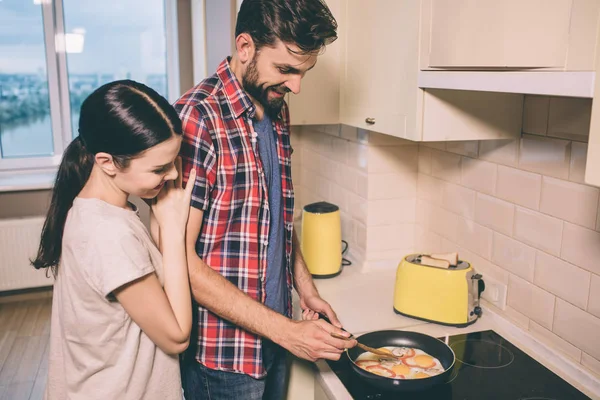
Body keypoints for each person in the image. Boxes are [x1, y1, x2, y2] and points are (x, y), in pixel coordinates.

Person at [174, 0, 357, 399]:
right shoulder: (196, 119)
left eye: (304, 72)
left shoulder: (275, 107)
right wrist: (289, 332)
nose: (296, 86)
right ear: (245, 47)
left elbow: (274, 219)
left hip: (277, 338)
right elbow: (178, 260)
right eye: (286, 69)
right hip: (224, 358)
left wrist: (305, 289)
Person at [33, 80, 196, 400]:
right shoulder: (108, 234)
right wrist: (174, 231)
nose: (174, 175)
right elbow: (177, 336)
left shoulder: (105, 211)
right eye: (160, 168)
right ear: (107, 162)